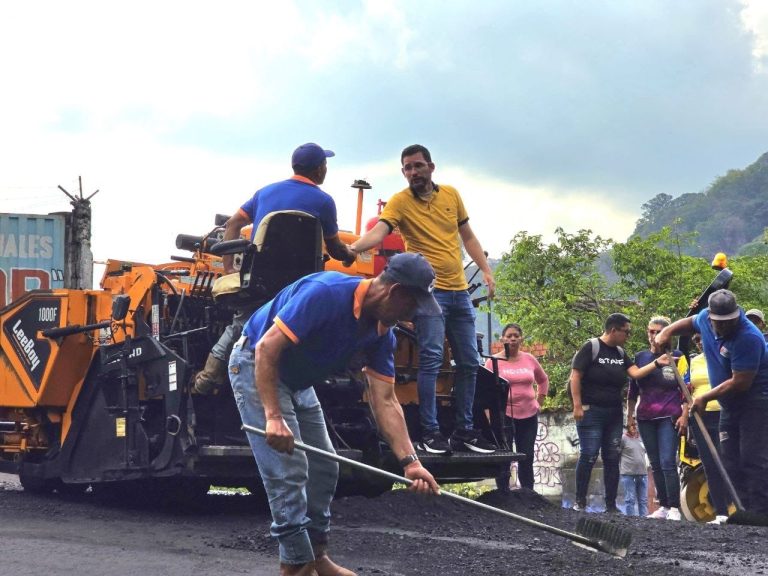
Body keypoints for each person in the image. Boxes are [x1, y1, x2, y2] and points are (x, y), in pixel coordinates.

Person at [229, 252, 441, 576]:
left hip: (299, 381)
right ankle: (296, 565)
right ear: (395, 292)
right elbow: (266, 348)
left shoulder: (383, 333)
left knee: (325, 466)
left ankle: (316, 555)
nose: (412, 316)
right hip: (255, 364)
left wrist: (411, 463)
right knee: (289, 471)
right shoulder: (326, 293)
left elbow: (385, 400)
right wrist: (273, 416)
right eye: (412, 306)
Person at [350, 144, 496, 455]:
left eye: (418, 166)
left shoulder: (452, 195)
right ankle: (431, 432)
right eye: (407, 168)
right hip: (429, 293)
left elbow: (467, 236)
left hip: (459, 292)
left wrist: (486, 270)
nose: (413, 172)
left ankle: (464, 431)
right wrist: (351, 250)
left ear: (431, 167)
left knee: (469, 362)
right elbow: (379, 233)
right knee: (430, 359)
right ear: (403, 172)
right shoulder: (400, 203)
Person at [194, 143, 356, 394]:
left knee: (243, 322)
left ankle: (209, 375)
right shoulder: (324, 201)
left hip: (260, 279)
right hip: (301, 286)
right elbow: (335, 249)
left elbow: (233, 224)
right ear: (319, 169)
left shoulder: (265, 193)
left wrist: (229, 268)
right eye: (325, 164)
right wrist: (350, 255)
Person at [655, 289, 768, 520]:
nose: (725, 326)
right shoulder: (706, 318)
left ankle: (760, 514)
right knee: (729, 459)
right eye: (720, 322)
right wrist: (666, 331)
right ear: (712, 317)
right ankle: (744, 512)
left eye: (729, 321)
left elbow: (740, 383)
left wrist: (704, 397)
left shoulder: (749, 337)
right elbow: (690, 322)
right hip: (730, 404)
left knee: (752, 457)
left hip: (756, 401)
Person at [569, 313, 670, 513]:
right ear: (613, 330)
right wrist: (577, 405)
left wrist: (657, 363)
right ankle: (580, 502)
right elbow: (575, 376)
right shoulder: (591, 347)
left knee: (612, 457)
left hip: (613, 413)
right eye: (626, 332)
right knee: (588, 454)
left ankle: (610, 505)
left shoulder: (620, 352)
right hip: (591, 412)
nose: (628, 336)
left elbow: (635, 374)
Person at [626, 316, 687, 521]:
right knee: (655, 463)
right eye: (651, 331)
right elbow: (632, 391)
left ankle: (675, 507)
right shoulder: (640, 357)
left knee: (668, 461)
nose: (654, 335)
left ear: (667, 333)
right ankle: (664, 505)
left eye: (658, 331)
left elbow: (686, 390)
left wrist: (685, 415)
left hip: (669, 415)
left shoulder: (677, 356)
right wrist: (630, 417)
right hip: (645, 416)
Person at [484, 323, 549, 491]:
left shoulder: (529, 359)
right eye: (509, 336)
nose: (513, 339)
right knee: (504, 456)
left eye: (516, 336)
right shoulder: (493, 362)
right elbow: (484, 390)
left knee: (526, 455)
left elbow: (543, 380)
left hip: (528, 415)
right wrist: (488, 415)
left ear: (521, 339)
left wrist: (539, 402)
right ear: (502, 339)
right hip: (503, 415)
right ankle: (504, 494)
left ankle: (528, 493)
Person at [686, 333, 729, 524]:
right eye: (696, 340)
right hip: (700, 417)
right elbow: (689, 388)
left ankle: (738, 507)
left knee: (727, 461)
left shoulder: (725, 356)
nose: (700, 342)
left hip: (724, 414)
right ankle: (721, 512)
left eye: (703, 338)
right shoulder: (694, 362)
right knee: (710, 465)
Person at [619, 421, 649, 516]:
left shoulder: (642, 438)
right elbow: (617, 454)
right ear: (628, 426)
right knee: (630, 499)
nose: (634, 427)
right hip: (628, 474)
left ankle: (643, 520)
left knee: (643, 500)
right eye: (632, 425)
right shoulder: (623, 439)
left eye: (636, 425)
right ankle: (630, 521)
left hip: (642, 473)